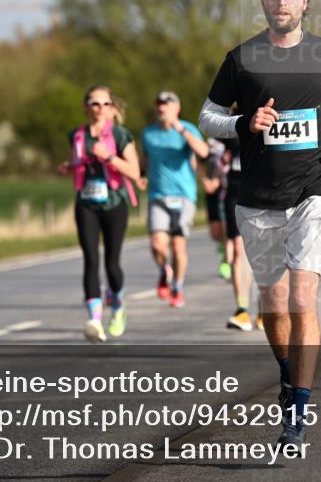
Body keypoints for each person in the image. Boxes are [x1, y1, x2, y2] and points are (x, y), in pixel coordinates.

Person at [198, 0, 321, 446]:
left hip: (315, 187)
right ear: (263, 3)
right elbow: (207, 118)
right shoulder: (242, 58)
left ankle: (299, 412)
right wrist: (245, 123)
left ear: (306, 3)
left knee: (302, 299)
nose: (282, 3)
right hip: (258, 197)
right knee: (272, 300)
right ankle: (288, 375)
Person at [58, 85, 140, 341]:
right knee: (90, 259)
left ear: (111, 107)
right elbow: (83, 162)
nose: (99, 109)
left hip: (115, 203)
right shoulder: (77, 135)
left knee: (111, 262)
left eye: (104, 104)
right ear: (86, 107)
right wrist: (68, 166)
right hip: (86, 202)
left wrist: (108, 157)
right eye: (94, 103)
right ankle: (94, 320)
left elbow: (135, 172)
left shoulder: (120, 134)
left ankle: (117, 307)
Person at [141, 91, 209, 307]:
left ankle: (177, 287)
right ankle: (164, 270)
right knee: (157, 245)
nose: (162, 108)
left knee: (178, 247)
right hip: (157, 195)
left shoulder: (188, 129)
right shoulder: (148, 134)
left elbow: (204, 152)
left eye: (167, 104)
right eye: (159, 104)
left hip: (183, 196)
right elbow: (145, 159)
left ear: (176, 109)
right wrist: (141, 175)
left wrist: (181, 130)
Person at [222, 137, 259, 332]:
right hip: (234, 192)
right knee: (238, 250)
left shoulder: (266, 113)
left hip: (259, 190)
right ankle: (242, 309)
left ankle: (264, 308)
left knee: (261, 252)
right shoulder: (228, 121)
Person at [202, 138, 233, 280]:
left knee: (228, 229)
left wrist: (218, 177)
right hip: (212, 192)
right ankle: (223, 249)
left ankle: (227, 260)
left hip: (228, 189)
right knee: (215, 233)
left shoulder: (235, 137)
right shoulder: (210, 142)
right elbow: (198, 161)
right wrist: (205, 180)